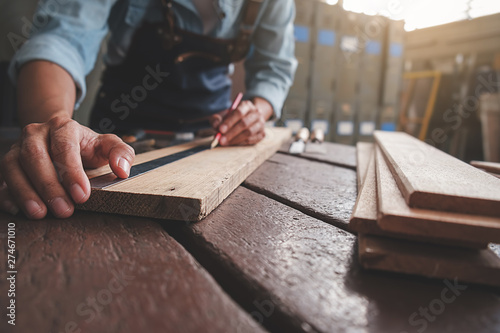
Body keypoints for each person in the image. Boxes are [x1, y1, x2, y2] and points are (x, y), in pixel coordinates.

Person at [0, 0, 297, 219]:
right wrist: (55, 123)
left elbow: (275, 70)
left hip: (213, 141)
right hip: (118, 138)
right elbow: (62, 38)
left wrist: (257, 112)